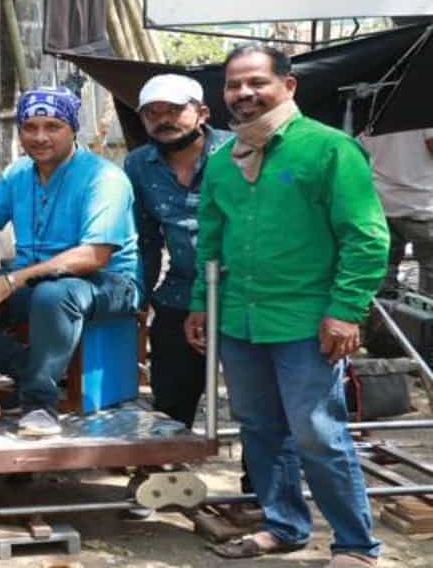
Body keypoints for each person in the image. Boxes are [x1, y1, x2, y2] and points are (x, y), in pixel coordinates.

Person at [185, 45, 388, 567]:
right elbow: (210, 241)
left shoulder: (329, 149)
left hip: (307, 320)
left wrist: (346, 309)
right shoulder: (224, 162)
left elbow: (366, 237)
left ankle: (355, 545)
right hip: (239, 318)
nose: (244, 93)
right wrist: (201, 303)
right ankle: (284, 525)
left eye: (257, 82)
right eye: (234, 84)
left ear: (288, 86)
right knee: (258, 428)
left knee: (318, 433)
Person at [0, 86, 141, 437]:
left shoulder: (104, 178)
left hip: (107, 282)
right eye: (30, 127)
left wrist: (12, 280)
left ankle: (40, 405)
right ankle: (30, 372)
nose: (40, 137)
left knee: (54, 296)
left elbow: (94, 256)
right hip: (35, 279)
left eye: (53, 126)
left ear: (72, 129)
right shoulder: (18, 173)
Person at [123, 74, 232, 428]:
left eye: (173, 110)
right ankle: (171, 460)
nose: (163, 120)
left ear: (202, 113)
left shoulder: (238, 152)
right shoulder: (139, 164)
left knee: (259, 405)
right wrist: (139, 298)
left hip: (242, 290)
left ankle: (260, 468)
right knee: (170, 399)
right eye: (152, 113)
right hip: (181, 288)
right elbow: (145, 239)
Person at [358, 127, 433, 295]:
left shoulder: (372, 114)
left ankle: (382, 308)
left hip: (382, 202)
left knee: (383, 270)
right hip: (422, 204)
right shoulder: (425, 115)